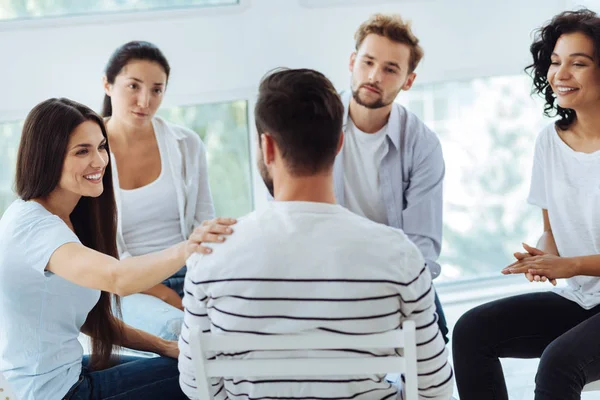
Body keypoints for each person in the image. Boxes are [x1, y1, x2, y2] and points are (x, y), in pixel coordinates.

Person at [177, 68, 454, 400]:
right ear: (339, 144)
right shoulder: (400, 256)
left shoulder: (210, 256)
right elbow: (434, 390)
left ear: (267, 147)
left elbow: (197, 387)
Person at [0, 98, 234, 400]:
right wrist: (189, 246)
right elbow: (119, 278)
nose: (99, 161)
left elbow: (92, 321)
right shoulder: (33, 227)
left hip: (67, 374)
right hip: (57, 393)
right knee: (201, 374)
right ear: (48, 158)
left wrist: (165, 347)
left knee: (186, 362)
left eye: (101, 146)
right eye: (82, 151)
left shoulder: (65, 220)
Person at [453, 9, 600, 400]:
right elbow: (552, 230)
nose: (561, 74)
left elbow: (572, 259)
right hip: (586, 299)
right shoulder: (548, 142)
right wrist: (542, 258)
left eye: (578, 63)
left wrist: (569, 265)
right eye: (554, 62)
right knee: (471, 331)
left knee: (558, 363)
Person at [337, 13, 449, 342]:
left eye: (390, 69)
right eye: (368, 62)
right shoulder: (316, 123)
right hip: (330, 273)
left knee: (435, 336)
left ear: (408, 81)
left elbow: (423, 248)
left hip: (394, 276)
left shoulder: (423, 144)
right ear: (353, 61)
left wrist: (389, 300)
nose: (374, 76)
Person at [101, 41, 216, 340]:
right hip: (131, 282)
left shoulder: (187, 144)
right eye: (133, 86)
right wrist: (163, 294)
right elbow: (98, 249)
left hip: (191, 269)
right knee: (178, 330)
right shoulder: (87, 151)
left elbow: (204, 223)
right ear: (107, 84)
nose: (145, 101)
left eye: (156, 90)